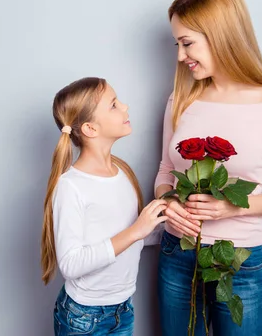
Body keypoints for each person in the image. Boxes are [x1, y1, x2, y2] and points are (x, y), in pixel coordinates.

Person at [155, 0, 262, 335]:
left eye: (187, 43)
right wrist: (167, 203)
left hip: (242, 263)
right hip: (178, 254)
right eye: (178, 44)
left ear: (220, 35)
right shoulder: (181, 100)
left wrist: (234, 208)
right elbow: (165, 172)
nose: (180, 55)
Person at [41, 77, 168, 336]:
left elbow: (134, 236)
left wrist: (168, 225)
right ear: (90, 129)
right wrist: (136, 231)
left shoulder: (122, 172)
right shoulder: (71, 186)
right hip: (84, 318)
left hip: (122, 309)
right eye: (113, 105)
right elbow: (71, 264)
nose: (125, 107)